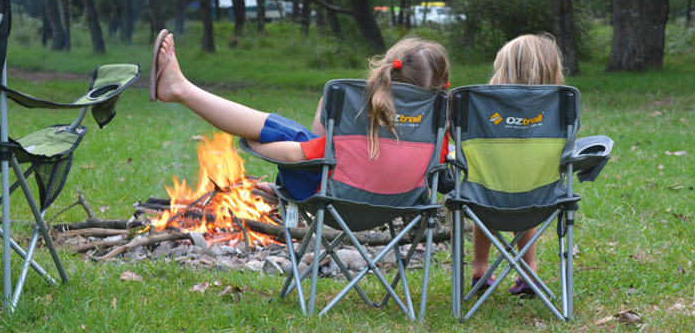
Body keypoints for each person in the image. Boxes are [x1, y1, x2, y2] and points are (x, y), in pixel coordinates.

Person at [150, 30, 451, 200]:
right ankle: (178, 88)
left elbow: (297, 155)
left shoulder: (355, 130)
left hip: (332, 200)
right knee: (318, 144)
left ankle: (179, 89)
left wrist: (255, 145)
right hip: (402, 205)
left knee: (289, 133)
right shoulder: (438, 138)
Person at [471, 33, 565, 295]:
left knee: (483, 185)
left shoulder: (482, 107)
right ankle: (528, 269)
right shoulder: (558, 108)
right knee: (526, 189)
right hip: (538, 196)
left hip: (486, 196)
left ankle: (480, 267)